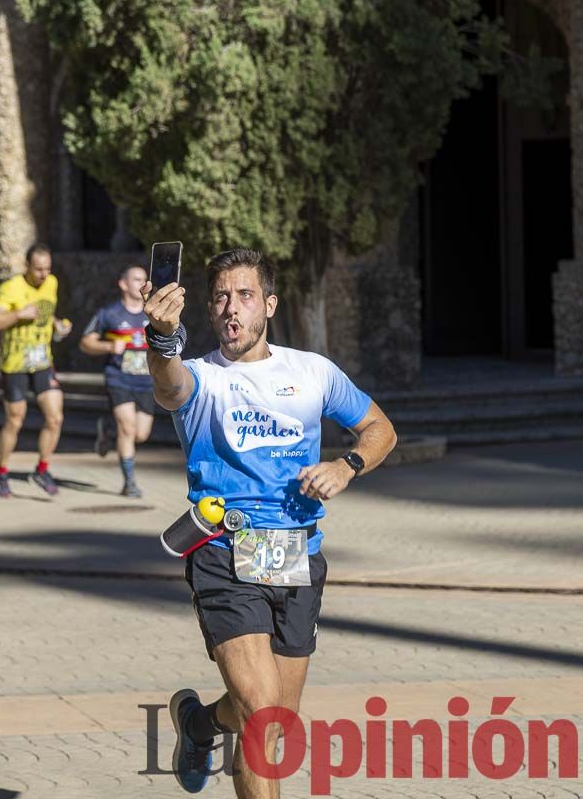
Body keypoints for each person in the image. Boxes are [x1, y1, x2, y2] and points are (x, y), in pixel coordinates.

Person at [143, 248, 397, 797]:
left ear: (270, 304)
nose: (231, 308)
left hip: (295, 552)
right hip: (224, 553)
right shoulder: (202, 378)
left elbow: (381, 429)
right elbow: (168, 385)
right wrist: (162, 337)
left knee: (274, 719)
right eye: (220, 298)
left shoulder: (312, 372)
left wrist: (346, 465)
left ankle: (198, 725)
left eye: (245, 295)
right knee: (260, 716)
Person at [0, 243, 73, 498]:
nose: (44, 274)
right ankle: (1, 472)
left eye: (47, 268)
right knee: (15, 420)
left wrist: (57, 326)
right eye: (39, 269)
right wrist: (19, 314)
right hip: (16, 364)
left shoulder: (52, 283)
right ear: (27, 266)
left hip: (42, 362)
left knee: (55, 418)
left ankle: (42, 470)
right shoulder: (12, 288)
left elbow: (46, 313)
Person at [79, 264, 155, 498]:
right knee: (128, 427)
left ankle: (108, 430)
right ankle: (129, 483)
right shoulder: (109, 313)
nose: (142, 283)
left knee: (141, 434)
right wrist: (109, 346)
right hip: (118, 379)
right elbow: (86, 342)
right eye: (136, 279)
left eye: (144, 279)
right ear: (123, 284)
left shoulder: (152, 313)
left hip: (146, 382)